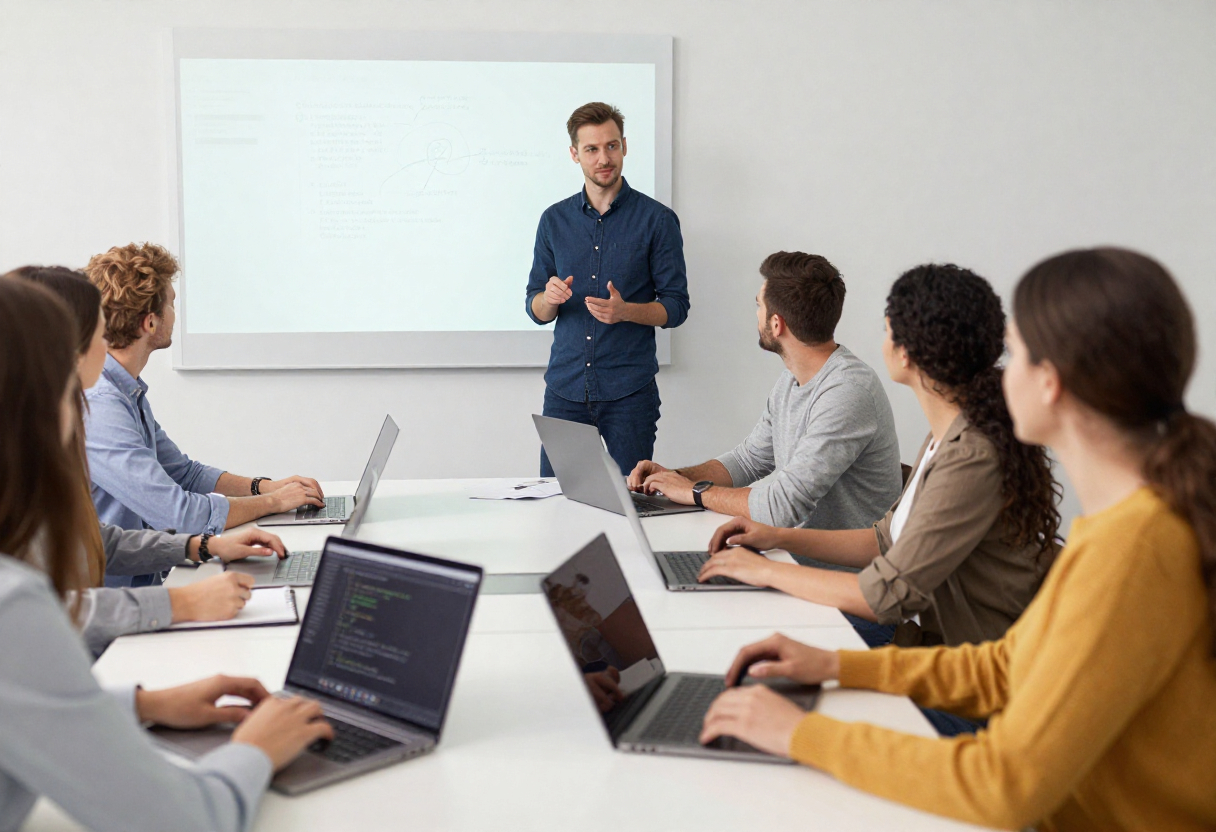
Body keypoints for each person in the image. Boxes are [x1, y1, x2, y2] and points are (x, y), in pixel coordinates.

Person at [699, 248, 1216, 831]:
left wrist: (799, 732)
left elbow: (1005, 786)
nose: (996, 368)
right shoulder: (1126, 527)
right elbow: (1006, 668)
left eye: (1013, 353)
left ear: (1050, 384)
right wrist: (838, 665)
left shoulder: (1135, 550)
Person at [0, 276, 333, 832]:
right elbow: (188, 820)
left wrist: (143, 705)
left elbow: (17, 694)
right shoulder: (15, 603)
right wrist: (256, 747)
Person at [7, 266, 292, 655]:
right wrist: (186, 601)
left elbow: (92, 538)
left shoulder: (55, 424)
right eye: (98, 326)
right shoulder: (93, 410)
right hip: (91, 637)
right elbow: (39, 612)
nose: (106, 337)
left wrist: (200, 546)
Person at [82, 243, 325, 587]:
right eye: (171, 303)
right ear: (150, 322)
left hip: (147, 583)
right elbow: (179, 514)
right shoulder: (102, 403)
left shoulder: (124, 388)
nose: (175, 314)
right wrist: (272, 502)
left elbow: (184, 473)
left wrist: (265, 486)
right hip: (114, 607)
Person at [629, 252, 901, 531]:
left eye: (759, 305)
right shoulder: (791, 379)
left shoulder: (846, 392)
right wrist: (673, 478)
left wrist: (695, 493)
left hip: (832, 571)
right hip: (787, 553)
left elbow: (783, 507)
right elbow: (749, 460)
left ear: (776, 324)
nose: (756, 313)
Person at [526, 102, 690, 477]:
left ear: (625, 146)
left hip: (630, 394)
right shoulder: (553, 221)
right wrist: (548, 300)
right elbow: (534, 307)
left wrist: (626, 311)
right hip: (565, 392)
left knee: (630, 504)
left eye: (612, 146)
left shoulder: (658, 220)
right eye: (592, 149)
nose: (604, 158)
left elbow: (677, 306)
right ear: (574, 154)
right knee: (557, 502)